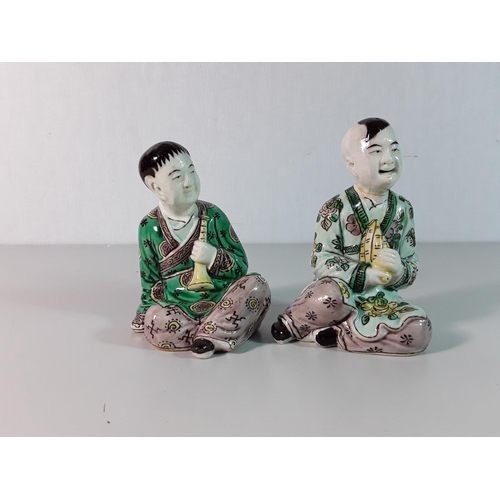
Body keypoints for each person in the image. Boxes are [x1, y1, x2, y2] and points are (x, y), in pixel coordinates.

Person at [271, 118, 432, 355]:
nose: (389, 159)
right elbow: (321, 260)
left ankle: (337, 335)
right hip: (342, 293)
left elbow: (411, 263)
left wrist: (399, 271)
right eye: (376, 151)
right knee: (328, 297)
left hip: (380, 301)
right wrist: (365, 275)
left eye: (394, 149)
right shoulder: (336, 208)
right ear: (351, 165)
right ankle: (294, 323)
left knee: (419, 330)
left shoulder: (402, 209)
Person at [131, 141, 271, 359]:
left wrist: (213, 257)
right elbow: (150, 279)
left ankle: (206, 334)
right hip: (179, 308)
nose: (189, 182)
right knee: (156, 320)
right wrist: (146, 309)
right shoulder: (149, 227)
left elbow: (241, 266)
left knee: (257, 286)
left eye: (192, 171)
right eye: (177, 177)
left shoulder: (214, 215)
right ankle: (217, 333)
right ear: (156, 187)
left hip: (222, 299)